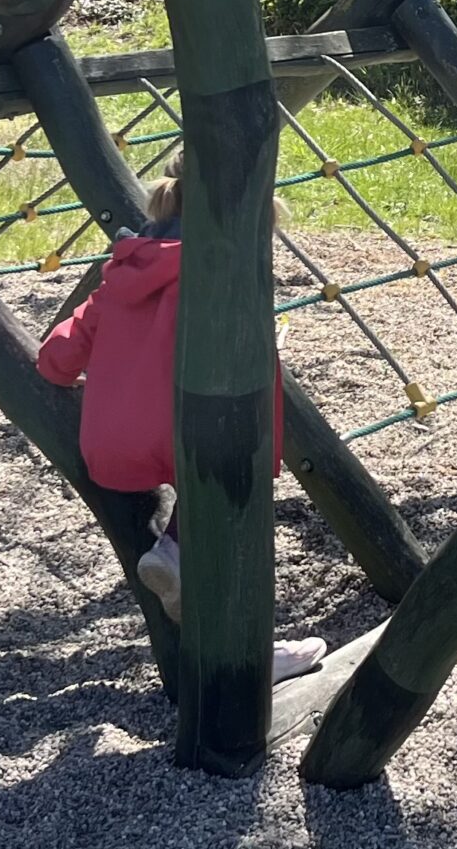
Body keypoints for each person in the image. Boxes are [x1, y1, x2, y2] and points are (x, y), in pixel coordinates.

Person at [38, 165, 325, 681]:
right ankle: (247, 649)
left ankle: (177, 552)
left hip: (110, 440)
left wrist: (71, 371)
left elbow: (60, 354)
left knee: (206, 490)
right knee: (237, 512)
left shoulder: (123, 270)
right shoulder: (224, 274)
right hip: (191, 436)